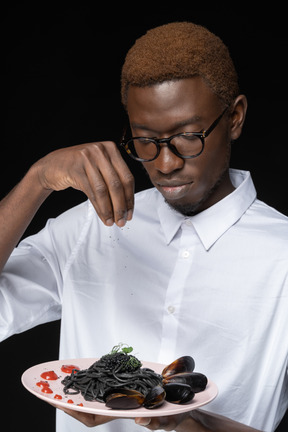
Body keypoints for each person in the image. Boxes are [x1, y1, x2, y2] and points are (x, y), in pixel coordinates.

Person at [1, 21, 287, 432]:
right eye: (145, 140)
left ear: (236, 118)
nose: (165, 163)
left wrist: (192, 421)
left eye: (188, 136)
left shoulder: (282, 256)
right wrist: (37, 180)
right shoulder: (91, 225)